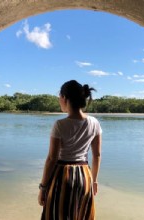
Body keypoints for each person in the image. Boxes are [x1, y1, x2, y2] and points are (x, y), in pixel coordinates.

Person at [38, 80, 102, 220]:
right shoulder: (94, 122)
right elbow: (96, 155)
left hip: (62, 175)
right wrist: (94, 181)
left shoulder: (60, 125)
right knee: (80, 215)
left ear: (65, 98)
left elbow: (52, 159)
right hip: (85, 175)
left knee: (56, 214)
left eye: (59, 97)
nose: (59, 100)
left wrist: (43, 187)